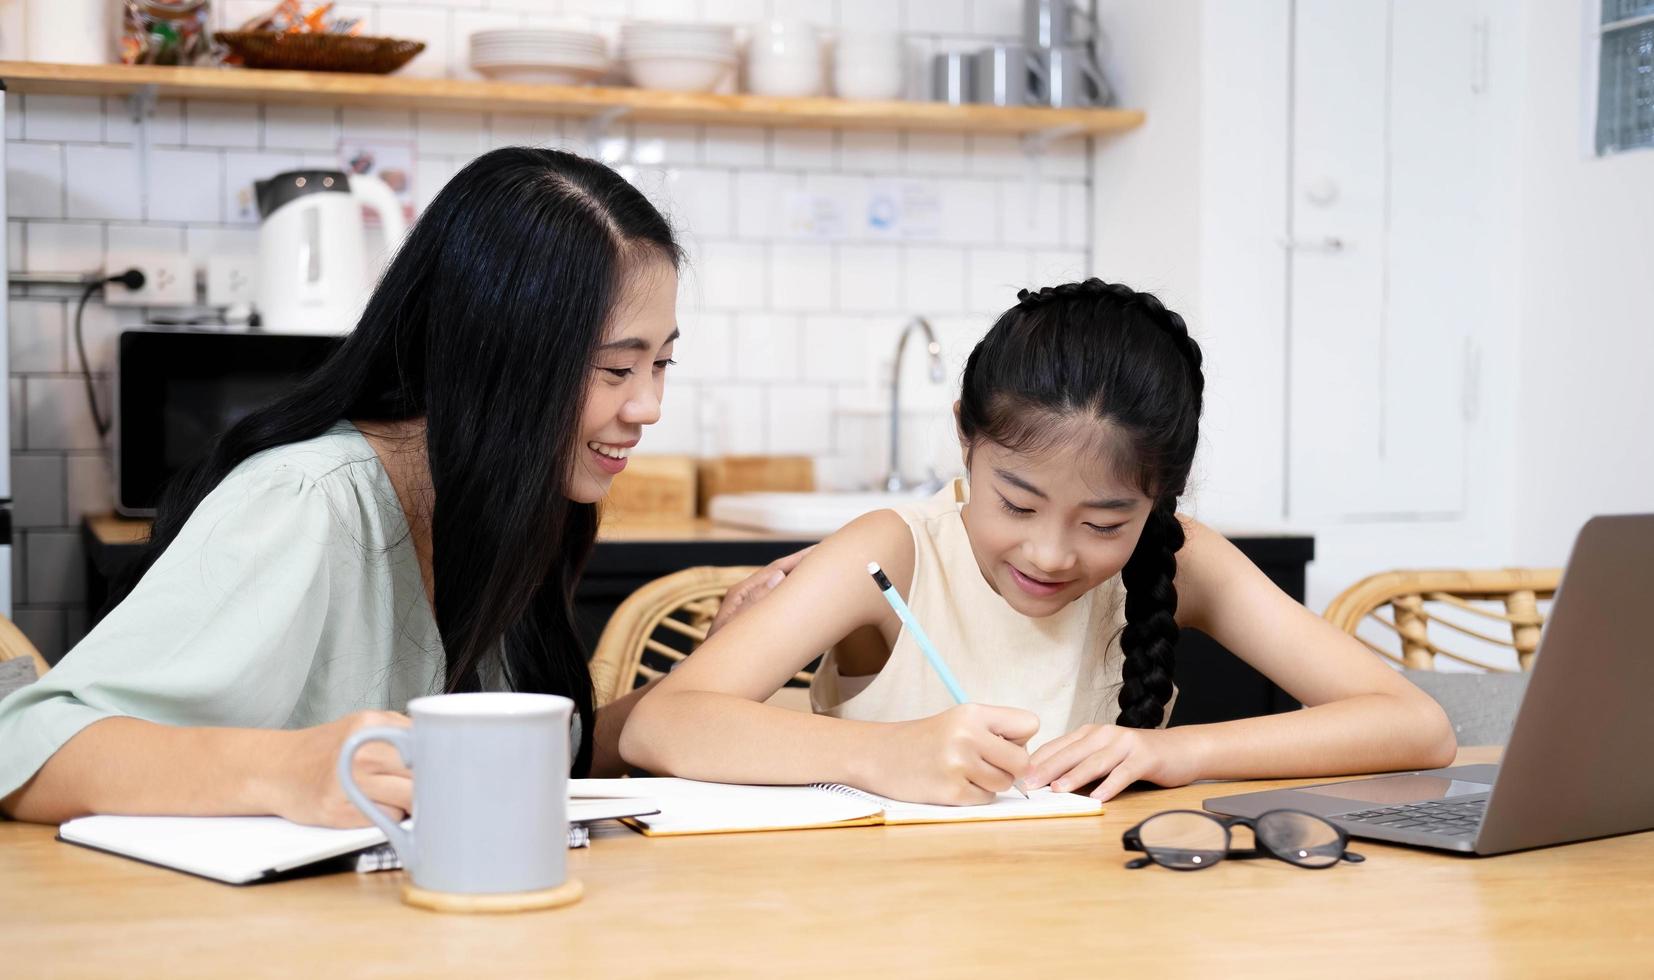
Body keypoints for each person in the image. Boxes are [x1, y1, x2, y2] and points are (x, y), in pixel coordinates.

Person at [0, 147, 800, 827]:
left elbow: (534, 762)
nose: (649, 406)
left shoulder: (503, 503)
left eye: (661, 363)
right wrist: (286, 770)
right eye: (615, 368)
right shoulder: (307, 500)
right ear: (493, 356)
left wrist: (713, 673)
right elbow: (29, 745)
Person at [622, 278, 1456, 805]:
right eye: (1016, 503)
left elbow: (1415, 727)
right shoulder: (895, 551)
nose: (1053, 555)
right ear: (965, 443)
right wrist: (886, 754)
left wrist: (1175, 751)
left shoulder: (1182, 559)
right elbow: (663, 726)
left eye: (1104, 524)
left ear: (1162, 496)